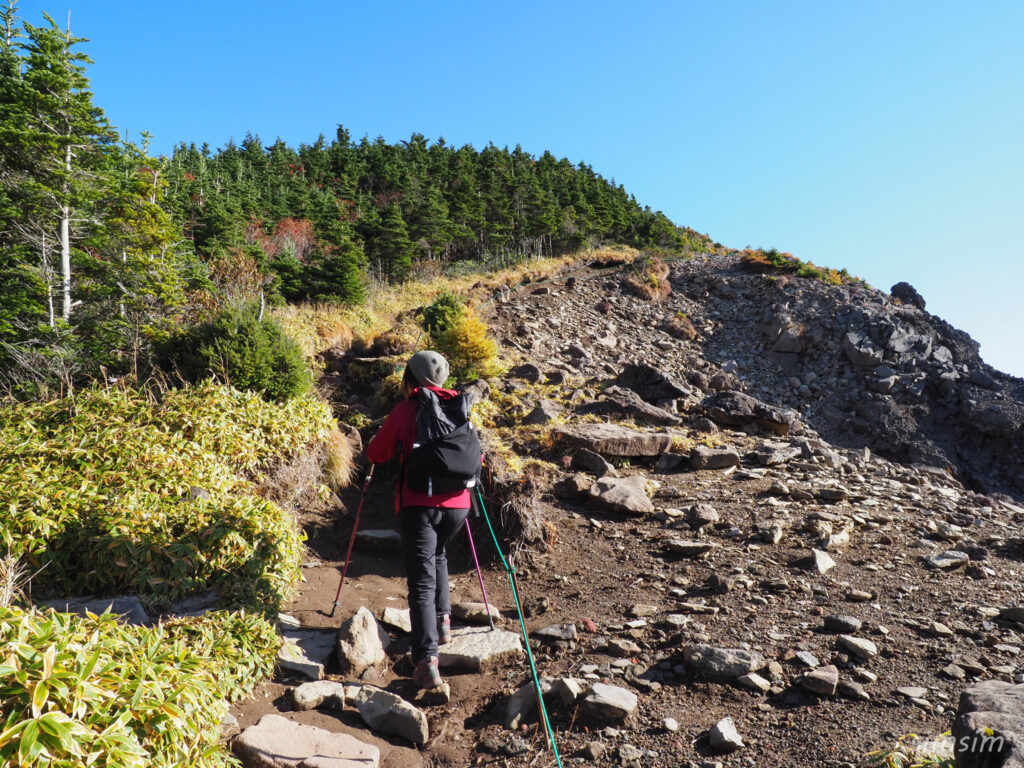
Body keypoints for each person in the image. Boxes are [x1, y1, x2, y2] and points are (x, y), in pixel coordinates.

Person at [366, 350, 470, 689]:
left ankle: (427, 660)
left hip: (419, 505)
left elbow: (377, 453)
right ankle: (443, 624)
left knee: (421, 582)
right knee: (438, 555)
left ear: (409, 378)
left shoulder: (406, 409)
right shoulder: (459, 405)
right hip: (459, 505)